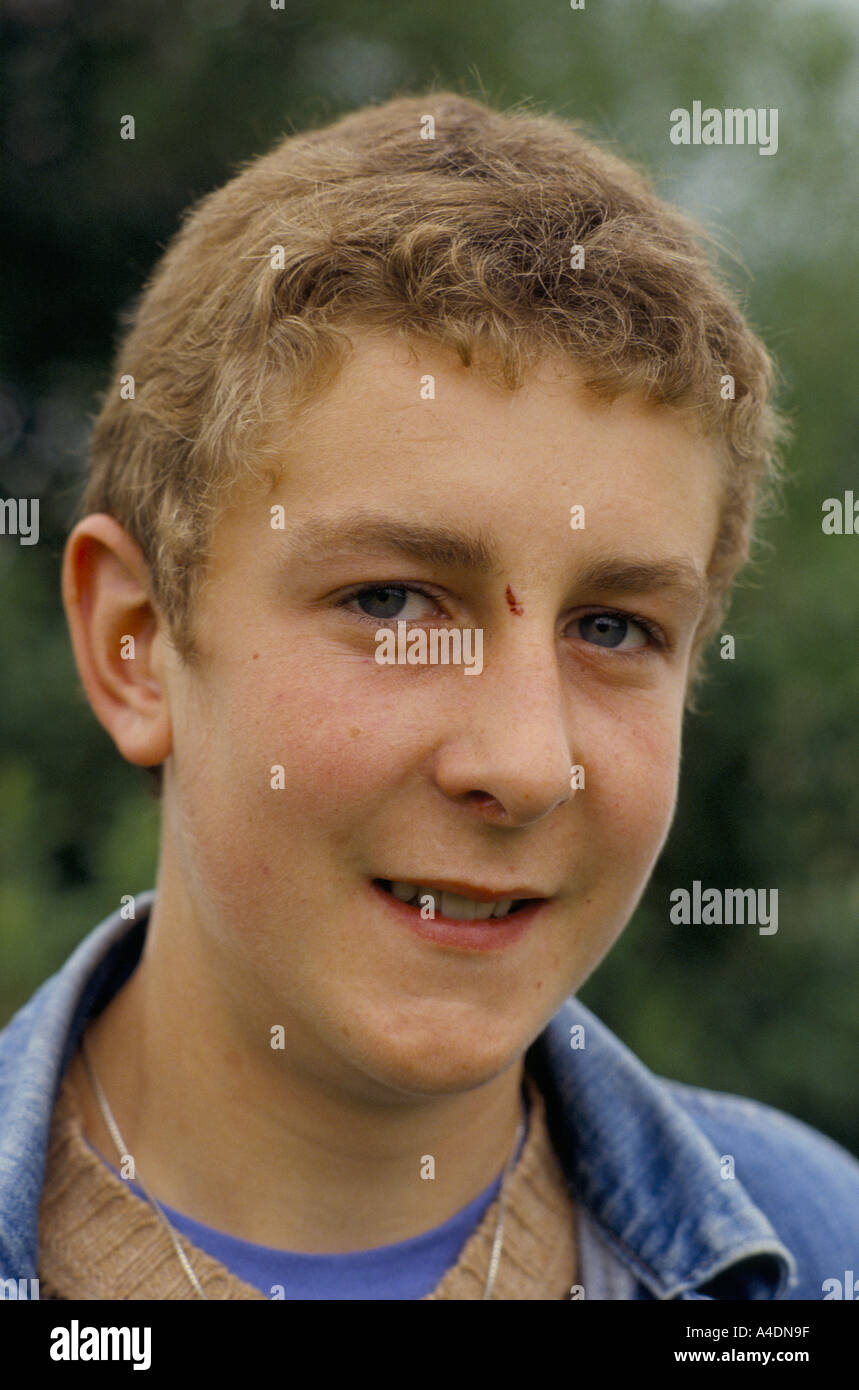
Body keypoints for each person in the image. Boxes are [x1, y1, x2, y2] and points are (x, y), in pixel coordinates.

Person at [1, 91, 856, 1302]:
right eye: (395, 604)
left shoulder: (820, 1251)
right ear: (136, 642)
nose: (522, 760)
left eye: (612, 627)